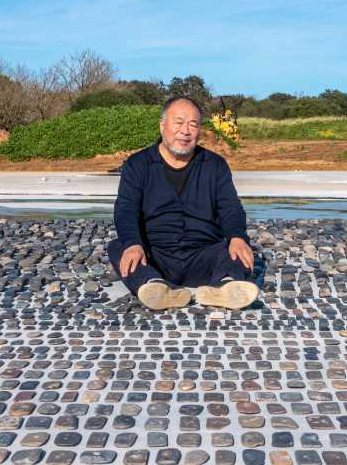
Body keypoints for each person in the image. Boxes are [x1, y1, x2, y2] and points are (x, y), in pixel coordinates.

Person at [107, 96, 260, 310]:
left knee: (237, 246)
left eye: (193, 124)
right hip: (155, 255)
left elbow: (230, 208)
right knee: (119, 246)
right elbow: (126, 210)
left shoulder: (215, 165)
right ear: (162, 126)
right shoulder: (137, 165)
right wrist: (133, 243)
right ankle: (155, 286)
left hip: (204, 254)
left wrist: (237, 237)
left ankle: (225, 286)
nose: (185, 131)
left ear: (199, 130)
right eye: (178, 122)